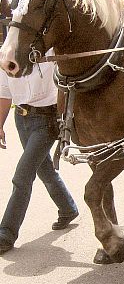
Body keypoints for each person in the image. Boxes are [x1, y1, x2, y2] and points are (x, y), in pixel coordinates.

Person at [0, 57, 79, 254]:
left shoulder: (49, 50)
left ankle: (6, 233)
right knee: (44, 170)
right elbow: (4, 93)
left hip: (47, 120)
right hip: (22, 119)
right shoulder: (7, 56)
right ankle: (68, 209)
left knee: (22, 177)